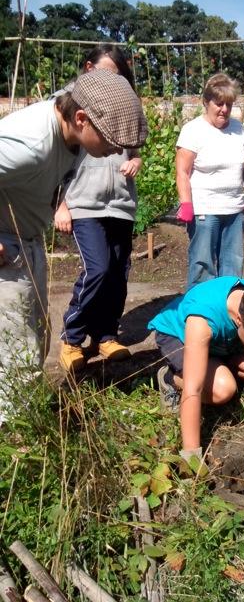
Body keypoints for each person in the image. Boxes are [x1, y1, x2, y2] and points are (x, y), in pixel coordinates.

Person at [0, 68, 148, 413]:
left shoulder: (70, 134)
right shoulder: (31, 144)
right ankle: (14, 442)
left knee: (34, 339)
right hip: (6, 245)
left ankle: (24, 420)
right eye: (111, 138)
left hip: (26, 240)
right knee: (15, 354)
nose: (116, 148)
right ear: (81, 118)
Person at [54, 45, 142, 373]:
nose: (113, 82)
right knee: (98, 269)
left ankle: (105, 335)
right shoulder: (70, 107)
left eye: (118, 76)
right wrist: (61, 204)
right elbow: (57, 162)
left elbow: (133, 150)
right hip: (84, 203)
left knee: (118, 274)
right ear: (88, 67)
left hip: (120, 204)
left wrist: (135, 161)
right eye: (106, 73)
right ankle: (72, 337)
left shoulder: (123, 106)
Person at [147, 276, 244, 460]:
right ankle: (170, 378)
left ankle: (217, 366)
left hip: (221, 342)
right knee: (222, 390)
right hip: (179, 335)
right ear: (240, 320)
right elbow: (193, 390)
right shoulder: (202, 319)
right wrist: (191, 457)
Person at [175, 73, 244, 289]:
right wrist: (186, 204)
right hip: (205, 209)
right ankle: (199, 315)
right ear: (206, 102)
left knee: (233, 264)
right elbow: (182, 171)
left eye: (229, 105)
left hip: (234, 209)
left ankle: (227, 313)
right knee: (202, 265)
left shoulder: (238, 129)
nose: (224, 109)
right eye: (219, 103)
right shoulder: (193, 131)